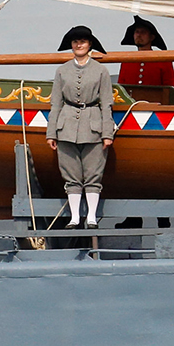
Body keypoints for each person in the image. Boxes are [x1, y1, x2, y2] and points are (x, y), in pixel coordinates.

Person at [47, 24, 116, 229]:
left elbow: (106, 103)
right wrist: (51, 133)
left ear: (90, 44)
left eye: (83, 41)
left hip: (93, 126)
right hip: (66, 127)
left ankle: (92, 217)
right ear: (71, 45)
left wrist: (107, 133)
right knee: (71, 174)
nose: (79, 44)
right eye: (76, 41)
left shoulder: (101, 71)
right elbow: (56, 103)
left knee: (94, 173)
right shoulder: (62, 71)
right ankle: (75, 217)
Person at [117, 15, 174, 104]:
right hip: (130, 108)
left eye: (143, 32)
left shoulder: (164, 60)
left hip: (156, 109)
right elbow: (121, 90)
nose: (139, 35)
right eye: (137, 32)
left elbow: (170, 91)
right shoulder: (127, 61)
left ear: (151, 37)